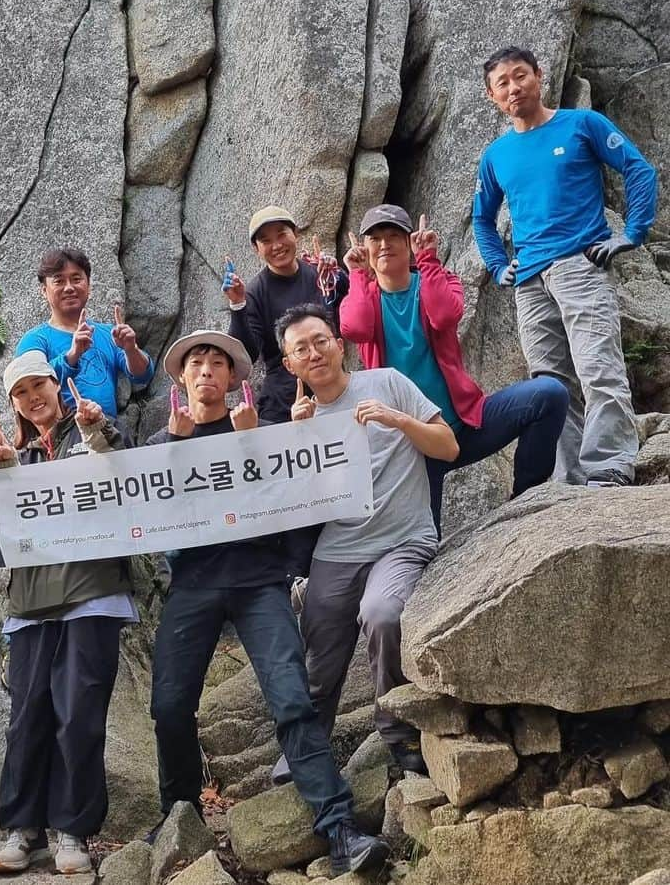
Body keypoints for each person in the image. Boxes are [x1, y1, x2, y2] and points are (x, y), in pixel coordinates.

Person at [146, 331, 388, 878]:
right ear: (181, 379)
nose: (206, 371)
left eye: (217, 363)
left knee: (291, 699)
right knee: (168, 707)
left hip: (259, 580)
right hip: (194, 585)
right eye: (196, 364)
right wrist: (175, 448)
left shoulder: (264, 433)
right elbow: (150, 519)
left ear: (235, 381)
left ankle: (338, 825)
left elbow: (298, 503)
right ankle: (180, 815)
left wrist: (256, 445)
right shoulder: (164, 441)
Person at [277, 305, 458, 774]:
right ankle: (307, 748)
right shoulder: (299, 421)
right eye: (301, 349)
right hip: (338, 549)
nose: (314, 353)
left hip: (402, 540)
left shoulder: (388, 383)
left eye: (321, 341)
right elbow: (297, 504)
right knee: (318, 646)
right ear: (289, 364)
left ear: (340, 344)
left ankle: (400, 735)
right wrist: (299, 439)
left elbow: (448, 446)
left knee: (382, 614)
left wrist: (398, 421)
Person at [473, 46, 659, 487]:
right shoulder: (497, 154)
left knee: (598, 366)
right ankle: (569, 477)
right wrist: (499, 266)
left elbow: (639, 170)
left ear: (539, 75)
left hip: (580, 263)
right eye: (503, 83)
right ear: (492, 97)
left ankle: (610, 464)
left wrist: (632, 233)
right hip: (530, 282)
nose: (513, 87)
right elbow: (481, 217)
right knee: (550, 386)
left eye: (520, 76)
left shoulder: (581, 124)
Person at [0, 353, 134, 877]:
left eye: (39, 385)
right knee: (26, 716)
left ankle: (73, 831)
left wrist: (97, 432)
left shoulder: (93, 429)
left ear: (58, 384)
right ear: (14, 405)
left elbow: (127, 476)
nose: (33, 398)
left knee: (79, 714)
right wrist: (3, 471)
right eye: (20, 392)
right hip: (29, 605)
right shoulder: (15, 457)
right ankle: (23, 829)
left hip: (93, 593)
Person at [341, 203, 568, 528]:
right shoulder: (362, 296)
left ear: (409, 243)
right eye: (375, 238)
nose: (384, 244)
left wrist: (428, 261)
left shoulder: (439, 279)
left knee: (549, 394)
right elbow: (356, 328)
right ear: (364, 247)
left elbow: (445, 315)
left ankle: (526, 500)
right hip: (413, 446)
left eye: (394, 236)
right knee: (424, 545)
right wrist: (357, 275)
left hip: (463, 425)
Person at [223, 206, 348, 423]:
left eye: (282, 234)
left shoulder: (318, 274)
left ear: (296, 234)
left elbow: (350, 319)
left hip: (333, 389)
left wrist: (339, 277)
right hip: (283, 400)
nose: (277, 245)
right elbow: (246, 354)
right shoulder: (255, 292)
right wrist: (238, 304)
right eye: (266, 241)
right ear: (256, 248)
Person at [15, 247, 155, 417]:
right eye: (59, 281)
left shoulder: (108, 333)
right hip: (62, 434)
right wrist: (72, 355)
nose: (69, 288)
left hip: (108, 431)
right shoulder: (34, 340)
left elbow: (142, 376)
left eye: (76, 279)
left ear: (88, 286)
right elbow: (28, 383)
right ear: (44, 290)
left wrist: (130, 349)